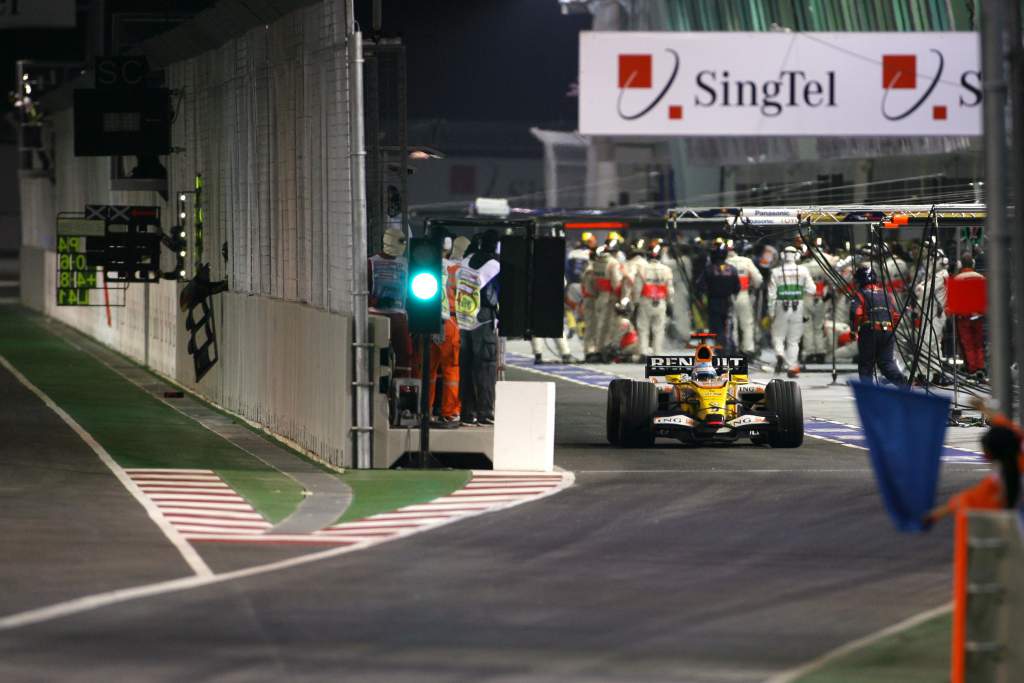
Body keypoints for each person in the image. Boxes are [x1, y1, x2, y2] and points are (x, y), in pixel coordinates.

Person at [455, 231, 500, 426]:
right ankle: (485, 412)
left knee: (466, 366)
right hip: (483, 318)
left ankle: (467, 412)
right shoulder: (495, 264)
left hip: (463, 317)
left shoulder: (467, 260)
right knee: (486, 366)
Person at [426, 236, 468, 429]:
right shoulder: (460, 270)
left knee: (427, 369)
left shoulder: (426, 266)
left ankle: (424, 410)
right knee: (451, 370)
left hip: (425, 319)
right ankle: (449, 412)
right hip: (451, 321)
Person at [849, 264, 907, 385]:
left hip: (870, 331)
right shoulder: (886, 294)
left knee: (866, 363)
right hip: (888, 331)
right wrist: (890, 330)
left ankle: (867, 392)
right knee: (887, 363)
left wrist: (854, 330)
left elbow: (856, 313)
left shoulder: (860, 293)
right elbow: (895, 315)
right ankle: (903, 384)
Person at [369, 228, 414, 377]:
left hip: (399, 316)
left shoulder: (405, 264)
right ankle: (380, 387)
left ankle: (402, 391)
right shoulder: (372, 263)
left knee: (406, 354)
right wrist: (377, 301)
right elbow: (361, 292)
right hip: (376, 316)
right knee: (378, 355)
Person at [768, 245, 815, 377]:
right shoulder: (803, 270)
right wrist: (800, 290)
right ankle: (791, 366)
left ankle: (780, 353)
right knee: (794, 340)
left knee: (778, 335)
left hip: (780, 305)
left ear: (783, 256)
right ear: (797, 255)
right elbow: (812, 289)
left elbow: (771, 295)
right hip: (797, 306)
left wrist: (771, 312)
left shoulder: (775, 272)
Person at [913, 247, 949, 384]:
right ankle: (938, 374)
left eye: (933, 260)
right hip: (929, 313)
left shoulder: (941, 275)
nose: (930, 262)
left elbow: (923, 292)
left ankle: (923, 374)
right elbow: (920, 289)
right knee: (934, 345)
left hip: (935, 314)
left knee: (926, 344)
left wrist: (921, 289)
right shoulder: (934, 276)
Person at [697, 240, 740, 354]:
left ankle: (720, 349)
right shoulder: (732, 269)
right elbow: (737, 287)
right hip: (728, 301)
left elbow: (700, 286)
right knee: (728, 325)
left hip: (713, 301)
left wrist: (707, 293)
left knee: (716, 327)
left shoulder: (709, 269)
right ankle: (729, 347)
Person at [633, 242, 674, 356]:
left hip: (645, 301)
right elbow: (670, 289)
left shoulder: (642, 269)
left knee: (643, 328)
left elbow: (637, 287)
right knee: (659, 329)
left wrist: (635, 302)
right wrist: (670, 302)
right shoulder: (666, 270)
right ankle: (657, 353)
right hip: (660, 302)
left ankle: (643, 352)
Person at [725, 240, 763, 361]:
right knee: (747, 323)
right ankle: (748, 349)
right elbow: (759, 279)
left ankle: (733, 349)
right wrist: (752, 286)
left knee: (732, 324)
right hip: (743, 294)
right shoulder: (746, 262)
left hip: (729, 296)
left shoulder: (724, 263)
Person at [950, 254, 986, 378]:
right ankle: (981, 367)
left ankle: (972, 369)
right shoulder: (981, 277)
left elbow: (953, 301)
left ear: (961, 265)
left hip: (963, 317)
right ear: (973, 263)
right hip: (978, 316)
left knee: (968, 344)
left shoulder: (957, 278)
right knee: (979, 343)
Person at [591, 235, 625, 361]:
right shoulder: (613, 263)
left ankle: (598, 350)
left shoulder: (597, 261)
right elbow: (616, 282)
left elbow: (594, 281)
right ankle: (606, 351)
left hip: (600, 295)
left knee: (599, 324)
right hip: (610, 296)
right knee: (609, 325)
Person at [665, 241, 693, 346]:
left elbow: (666, 263)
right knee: (675, 314)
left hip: (680, 289)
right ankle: (679, 337)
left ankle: (685, 338)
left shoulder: (684, 260)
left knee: (680, 314)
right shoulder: (682, 260)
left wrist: (664, 253)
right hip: (677, 288)